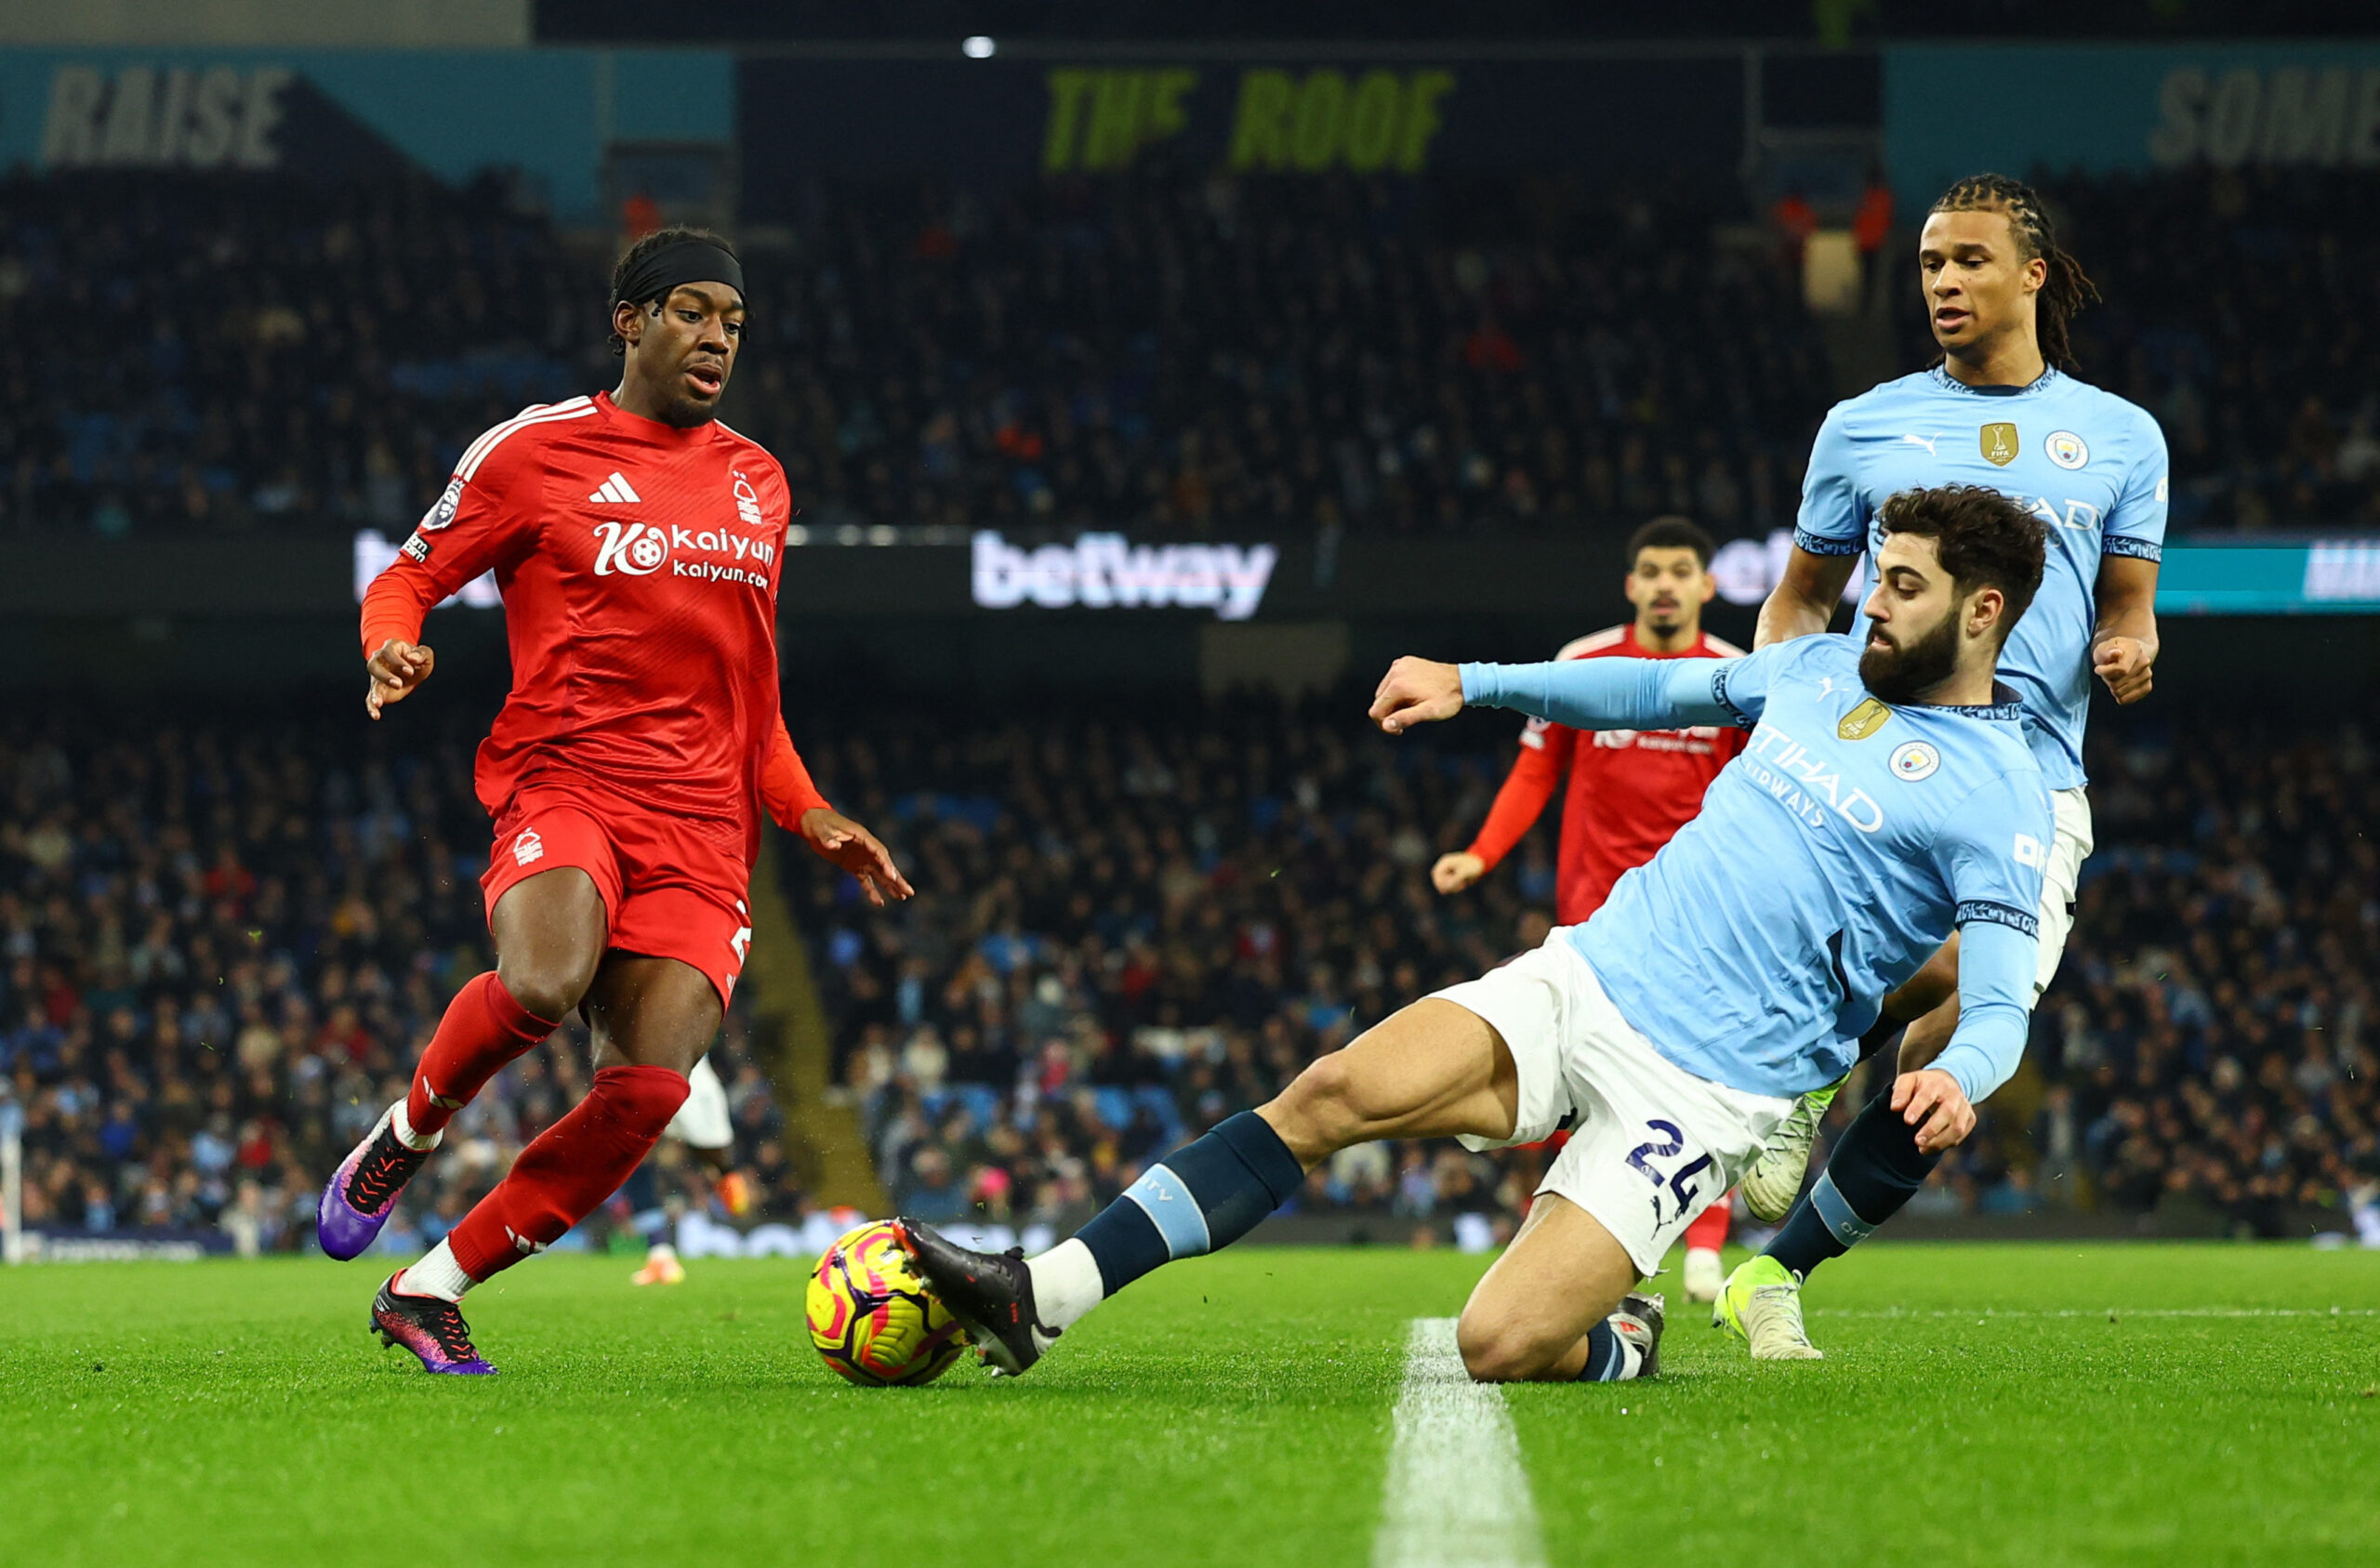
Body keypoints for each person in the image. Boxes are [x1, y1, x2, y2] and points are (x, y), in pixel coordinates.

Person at [897, 485, 2051, 1386]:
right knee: (1333, 1090)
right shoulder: (1812, 669)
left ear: (1981, 609)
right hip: (1589, 976)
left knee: (1497, 1343)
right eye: (1877, 577)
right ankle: (1038, 1294)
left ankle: (1622, 1345)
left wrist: (1957, 1071)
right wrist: (1475, 681)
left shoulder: (1998, 791)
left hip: (1705, 1091)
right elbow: (1651, 696)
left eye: (1902, 586)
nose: (1873, 603)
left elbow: (1999, 999)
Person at [317, 226, 914, 1375]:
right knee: (542, 981)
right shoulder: (536, 452)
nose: (717, 339)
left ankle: (429, 1287)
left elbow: (753, 698)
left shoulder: (759, 480)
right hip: (569, 775)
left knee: (647, 1090)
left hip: (702, 826)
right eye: (692, 312)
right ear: (631, 321)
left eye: (733, 323)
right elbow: (407, 574)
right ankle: (406, 1134)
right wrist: (393, 646)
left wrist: (813, 813)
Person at [1724, 172, 2165, 1360]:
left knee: (1942, 1072)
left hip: (2031, 770)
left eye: (1968, 261)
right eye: (1927, 265)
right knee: (1963, 976)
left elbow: (2130, 606)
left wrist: (2130, 647)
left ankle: (1771, 1277)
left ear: (2030, 273)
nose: (1943, 284)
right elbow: (1801, 597)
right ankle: (1793, 1090)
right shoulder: (1861, 424)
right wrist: (1782, 705)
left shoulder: (2123, 436)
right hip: (1893, 751)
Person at [1430, 516, 1748, 1301]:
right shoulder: (1583, 664)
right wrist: (1483, 851)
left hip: (1697, 919)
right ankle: (1578, 1244)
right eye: (1652, 570)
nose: (1666, 583)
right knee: (1583, 1084)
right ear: (1631, 584)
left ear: (1707, 586)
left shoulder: (1741, 677)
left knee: (1702, 1076)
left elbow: (1753, 800)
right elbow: (1536, 771)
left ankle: (1704, 1241)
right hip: (1597, 924)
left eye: (1682, 570)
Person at [624, 1053, 748, 1287]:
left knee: (708, 1156)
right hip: (645, 1071)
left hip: (686, 1078)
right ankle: (660, 1254)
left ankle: (727, 1179)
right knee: (638, 1159)